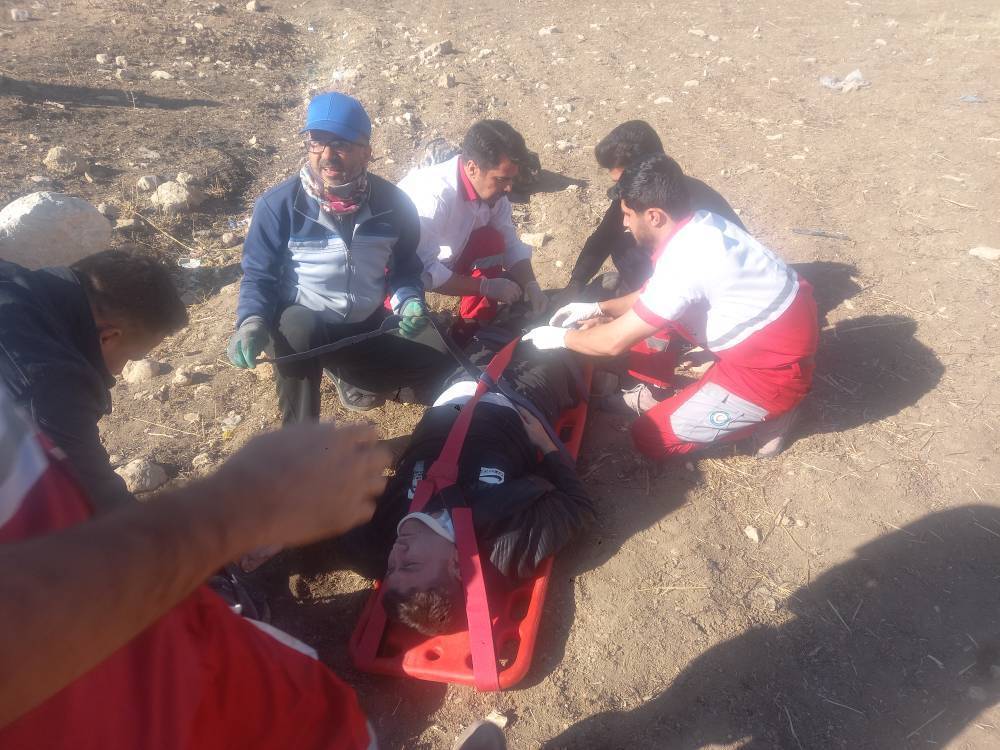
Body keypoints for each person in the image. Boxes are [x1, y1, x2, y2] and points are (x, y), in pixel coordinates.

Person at [0, 383, 508, 750]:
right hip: (135, 706)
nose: (397, 556)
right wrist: (229, 511)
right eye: (405, 563)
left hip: (194, 658)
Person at [297, 314, 594, 636]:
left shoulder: (380, 540)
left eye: (392, 567)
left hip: (459, 382)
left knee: (500, 325)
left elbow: (327, 520)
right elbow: (578, 507)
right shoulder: (505, 545)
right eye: (410, 564)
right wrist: (545, 444)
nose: (397, 552)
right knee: (557, 329)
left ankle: (516, 311)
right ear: (456, 565)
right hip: (523, 395)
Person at [524, 153, 818, 460]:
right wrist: (600, 308)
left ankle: (772, 413)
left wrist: (562, 338)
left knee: (649, 436)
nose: (624, 223)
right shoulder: (699, 225)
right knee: (658, 315)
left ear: (654, 216)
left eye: (628, 215)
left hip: (770, 374)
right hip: (779, 331)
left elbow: (613, 343)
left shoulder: (684, 262)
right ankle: (656, 390)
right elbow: (654, 294)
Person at [229, 91, 450, 418]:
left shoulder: (394, 205)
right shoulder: (279, 206)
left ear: (366, 152)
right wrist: (251, 322)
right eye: (317, 142)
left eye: (341, 144)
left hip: (366, 324)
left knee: (439, 360)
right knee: (297, 327)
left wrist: (409, 302)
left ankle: (352, 376)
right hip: (307, 326)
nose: (328, 155)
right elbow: (259, 276)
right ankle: (300, 435)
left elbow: (404, 269)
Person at [0, 250, 187, 513]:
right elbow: (96, 500)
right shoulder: (47, 388)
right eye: (129, 357)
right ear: (108, 337)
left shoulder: (14, 282)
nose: (120, 372)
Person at [555, 120, 745, 309]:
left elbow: (685, 287)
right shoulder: (644, 191)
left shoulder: (695, 219)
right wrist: (575, 284)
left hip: (718, 299)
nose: (620, 187)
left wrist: (614, 312)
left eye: (622, 179)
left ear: (644, 170)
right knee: (624, 246)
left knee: (634, 256)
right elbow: (606, 234)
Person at [397, 120, 548, 332]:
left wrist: (531, 285)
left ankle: (472, 327)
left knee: (492, 240)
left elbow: (510, 242)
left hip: (447, 257)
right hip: (403, 268)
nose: (509, 188)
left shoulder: (494, 192)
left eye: (511, 179)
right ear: (472, 168)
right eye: (502, 179)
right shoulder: (433, 198)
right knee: (407, 327)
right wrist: (485, 286)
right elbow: (421, 270)